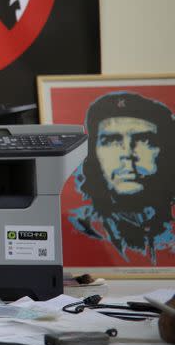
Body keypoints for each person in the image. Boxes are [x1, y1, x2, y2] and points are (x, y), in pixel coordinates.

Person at [70, 91, 175, 263]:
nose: (127, 154)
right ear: (94, 155)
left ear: (165, 152)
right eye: (111, 141)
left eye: (144, 140)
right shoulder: (79, 228)